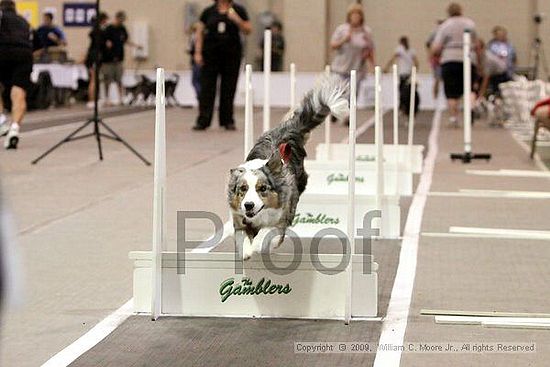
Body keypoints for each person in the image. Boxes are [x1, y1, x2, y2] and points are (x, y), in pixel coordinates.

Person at [193, 0, 252, 131]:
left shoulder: (238, 10)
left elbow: (248, 29)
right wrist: (197, 52)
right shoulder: (208, 12)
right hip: (210, 55)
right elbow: (199, 32)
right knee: (207, 88)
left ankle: (227, 120)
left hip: (231, 55)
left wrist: (237, 19)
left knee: (228, 88)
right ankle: (203, 120)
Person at [431, 3, 480, 127]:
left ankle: (454, 118)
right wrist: (478, 62)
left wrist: (435, 54)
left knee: (451, 91)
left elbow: (436, 47)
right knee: (469, 88)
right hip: (469, 58)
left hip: (450, 59)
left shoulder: (445, 26)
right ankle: (470, 109)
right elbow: (478, 45)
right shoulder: (470, 24)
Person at [0, 0, 33, 149]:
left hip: (3, 50)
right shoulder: (24, 22)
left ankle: (1, 121)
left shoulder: (1, 16)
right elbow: (36, 42)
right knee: (19, 91)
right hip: (24, 54)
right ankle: (14, 129)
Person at [102, 11, 141, 106]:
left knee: (119, 79)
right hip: (108, 60)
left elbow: (125, 40)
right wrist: (107, 45)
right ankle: (107, 98)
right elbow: (104, 41)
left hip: (119, 58)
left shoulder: (122, 29)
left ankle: (121, 98)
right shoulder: (109, 29)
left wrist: (135, 45)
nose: (122, 22)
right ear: (117, 18)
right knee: (108, 79)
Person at [330, 4, 375, 82]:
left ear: (361, 17)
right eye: (353, 15)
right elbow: (332, 45)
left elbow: (370, 50)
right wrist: (344, 40)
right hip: (340, 69)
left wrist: (372, 66)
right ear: (349, 16)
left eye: (358, 15)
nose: (355, 17)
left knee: (354, 93)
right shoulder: (342, 29)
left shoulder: (366, 32)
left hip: (357, 70)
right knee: (341, 92)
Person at [84, 12, 108, 109]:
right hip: (94, 57)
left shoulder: (97, 31)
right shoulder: (98, 32)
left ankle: (94, 99)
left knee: (95, 79)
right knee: (93, 79)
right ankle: (91, 100)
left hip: (94, 56)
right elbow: (100, 44)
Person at [426, 19, 444, 98]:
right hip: (437, 60)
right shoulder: (434, 33)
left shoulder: (445, 32)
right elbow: (428, 44)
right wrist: (431, 55)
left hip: (444, 59)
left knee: (441, 80)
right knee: (437, 79)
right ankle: (435, 100)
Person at [187, 22, 202, 103]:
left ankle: (201, 95)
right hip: (200, 62)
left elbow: (190, 48)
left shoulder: (194, 37)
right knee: (199, 81)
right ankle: (201, 95)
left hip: (197, 62)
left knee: (195, 80)